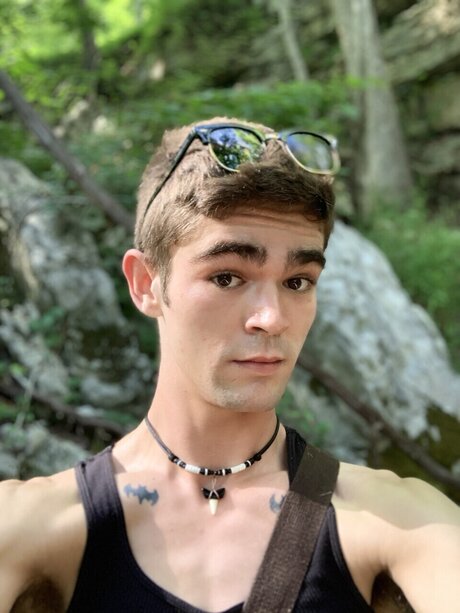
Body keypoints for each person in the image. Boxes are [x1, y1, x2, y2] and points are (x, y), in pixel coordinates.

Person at [1, 117, 459, 613]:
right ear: (145, 284)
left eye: (298, 282)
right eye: (226, 277)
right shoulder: (32, 525)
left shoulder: (395, 521)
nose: (272, 318)